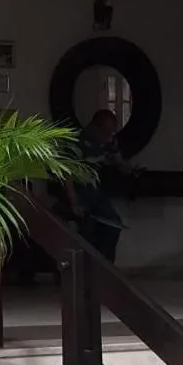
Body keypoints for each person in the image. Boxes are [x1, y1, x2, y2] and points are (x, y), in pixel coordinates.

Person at [67, 109, 127, 263]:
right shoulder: (77, 141)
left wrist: (127, 168)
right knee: (88, 229)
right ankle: (86, 271)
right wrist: (74, 201)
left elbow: (119, 161)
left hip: (97, 190)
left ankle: (106, 268)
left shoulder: (110, 140)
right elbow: (66, 174)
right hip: (80, 190)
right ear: (94, 127)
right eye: (107, 132)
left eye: (112, 132)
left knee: (113, 224)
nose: (109, 136)